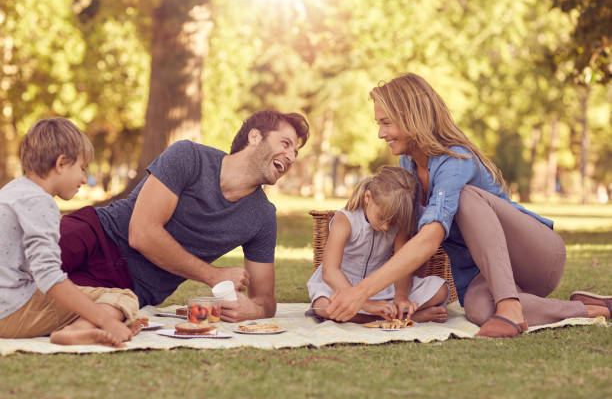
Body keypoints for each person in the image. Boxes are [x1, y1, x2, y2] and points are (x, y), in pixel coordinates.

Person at [324, 73, 611, 337]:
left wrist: (360, 292)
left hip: (534, 257)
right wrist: (401, 296)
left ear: (412, 118)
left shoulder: (456, 160)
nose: (380, 134)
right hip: (481, 273)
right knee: (480, 312)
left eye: (386, 123)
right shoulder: (407, 167)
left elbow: (430, 238)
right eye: (379, 124)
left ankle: (510, 306)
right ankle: (591, 309)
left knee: (466, 197)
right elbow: (407, 237)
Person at [59, 110, 309, 322]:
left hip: (129, 288)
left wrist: (252, 310)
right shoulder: (189, 157)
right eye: (285, 144)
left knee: (48, 308)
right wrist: (215, 276)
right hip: (97, 233)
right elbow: (142, 234)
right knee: (23, 263)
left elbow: (265, 300)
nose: (290, 157)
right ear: (255, 137)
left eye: (295, 153)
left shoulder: (262, 217)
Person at [0, 118, 140, 347]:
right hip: (11, 312)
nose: (84, 179)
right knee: (123, 297)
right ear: (61, 163)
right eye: (82, 169)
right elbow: (48, 276)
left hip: (8, 305)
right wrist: (107, 321)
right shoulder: (39, 201)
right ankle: (76, 331)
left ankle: (81, 326)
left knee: (84, 296)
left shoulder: (13, 191)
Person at [307, 166, 448, 323]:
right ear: (368, 198)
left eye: (392, 222)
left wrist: (401, 297)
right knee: (323, 306)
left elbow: (403, 267)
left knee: (440, 290)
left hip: (380, 286)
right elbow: (329, 271)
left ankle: (380, 315)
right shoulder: (345, 219)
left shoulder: (398, 226)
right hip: (340, 285)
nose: (387, 227)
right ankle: (408, 317)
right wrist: (365, 304)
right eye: (382, 218)